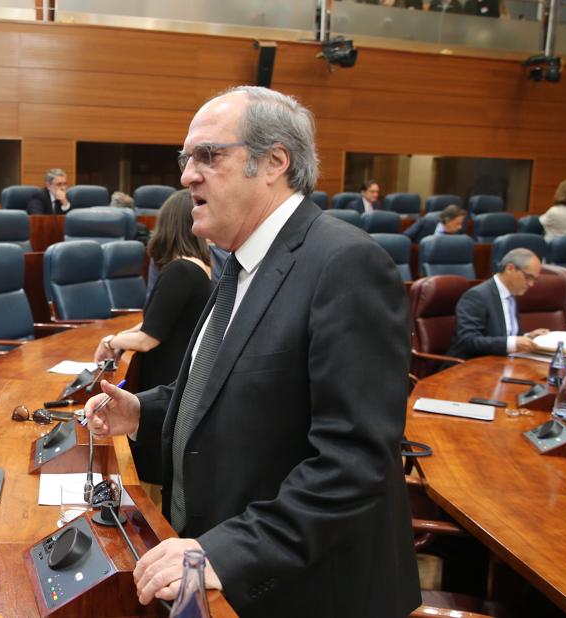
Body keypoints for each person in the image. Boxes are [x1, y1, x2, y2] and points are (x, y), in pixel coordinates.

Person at [83, 86, 419, 616]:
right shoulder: (236, 264)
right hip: (230, 579)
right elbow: (220, 385)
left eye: (208, 156)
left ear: (274, 163)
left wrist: (222, 553)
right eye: (185, 158)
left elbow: (353, 461)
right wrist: (142, 410)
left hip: (306, 592)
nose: (187, 174)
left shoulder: (346, 265)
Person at [93, 190, 213, 484]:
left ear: (168, 225)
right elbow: (153, 321)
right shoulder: (199, 268)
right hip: (177, 373)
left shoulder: (180, 270)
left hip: (164, 377)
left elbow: (149, 337)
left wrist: (110, 342)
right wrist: (118, 336)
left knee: (151, 473)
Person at [448, 248, 549, 360]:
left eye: (535, 280)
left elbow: (507, 334)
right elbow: (468, 341)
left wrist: (527, 337)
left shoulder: (511, 295)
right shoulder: (477, 296)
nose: (531, 284)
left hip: (500, 362)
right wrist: (512, 343)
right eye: (528, 277)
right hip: (469, 366)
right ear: (510, 268)